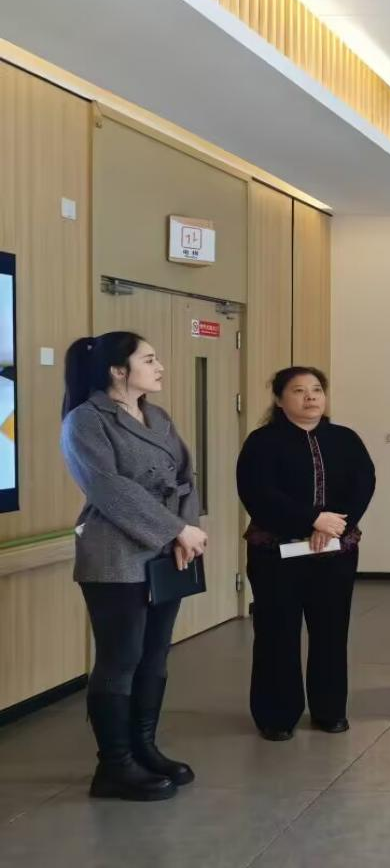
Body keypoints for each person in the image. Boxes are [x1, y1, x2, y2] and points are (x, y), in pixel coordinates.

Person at [60, 332, 208, 801]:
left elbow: (186, 477)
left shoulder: (157, 416)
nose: (159, 366)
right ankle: (114, 765)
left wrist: (186, 531)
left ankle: (144, 748)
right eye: (149, 359)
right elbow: (109, 489)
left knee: (154, 654)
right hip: (115, 553)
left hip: (167, 550)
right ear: (117, 370)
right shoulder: (85, 419)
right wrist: (174, 530)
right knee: (120, 657)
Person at [236, 367, 375, 741]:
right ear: (280, 400)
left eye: (316, 389)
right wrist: (312, 519)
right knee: (276, 632)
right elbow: (258, 492)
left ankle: (330, 710)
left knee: (331, 632)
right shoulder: (262, 442)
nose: (310, 397)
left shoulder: (345, 439)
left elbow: (363, 484)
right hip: (276, 552)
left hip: (335, 552)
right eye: (298, 390)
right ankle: (277, 715)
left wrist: (334, 526)